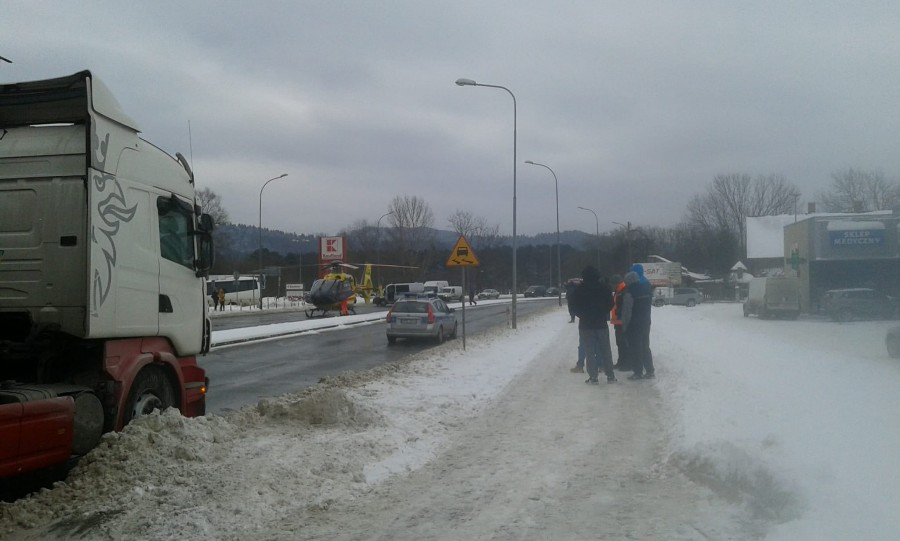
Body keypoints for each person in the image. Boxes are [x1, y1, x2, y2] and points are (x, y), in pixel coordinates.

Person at [572, 266, 616, 384]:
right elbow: (611, 303)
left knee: (589, 351)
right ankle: (610, 375)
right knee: (606, 350)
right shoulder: (604, 287)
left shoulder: (580, 289)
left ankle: (593, 377)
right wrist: (603, 312)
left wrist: (582, 315)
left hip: (586, 325)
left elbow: (573, 306)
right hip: (601, 323)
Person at [621, 263, 654, 380]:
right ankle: (650, 371)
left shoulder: (629, 293)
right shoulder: (646, 289)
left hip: (634, 325)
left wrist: (624, 326)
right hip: (646, 322)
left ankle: (638, 372)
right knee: (645, 346)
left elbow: (627, 312)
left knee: (636, 348)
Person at [609, 274, 630, 371]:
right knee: (619, 343)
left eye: (613, 284)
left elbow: (624, 306)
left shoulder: (623, 291)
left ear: (616, 284)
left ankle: (626, 363)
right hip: (618, 322)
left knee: (623, 343)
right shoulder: (618, 291)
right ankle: (621, 361)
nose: (612, 286)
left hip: (622, 322)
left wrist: (619, 314)